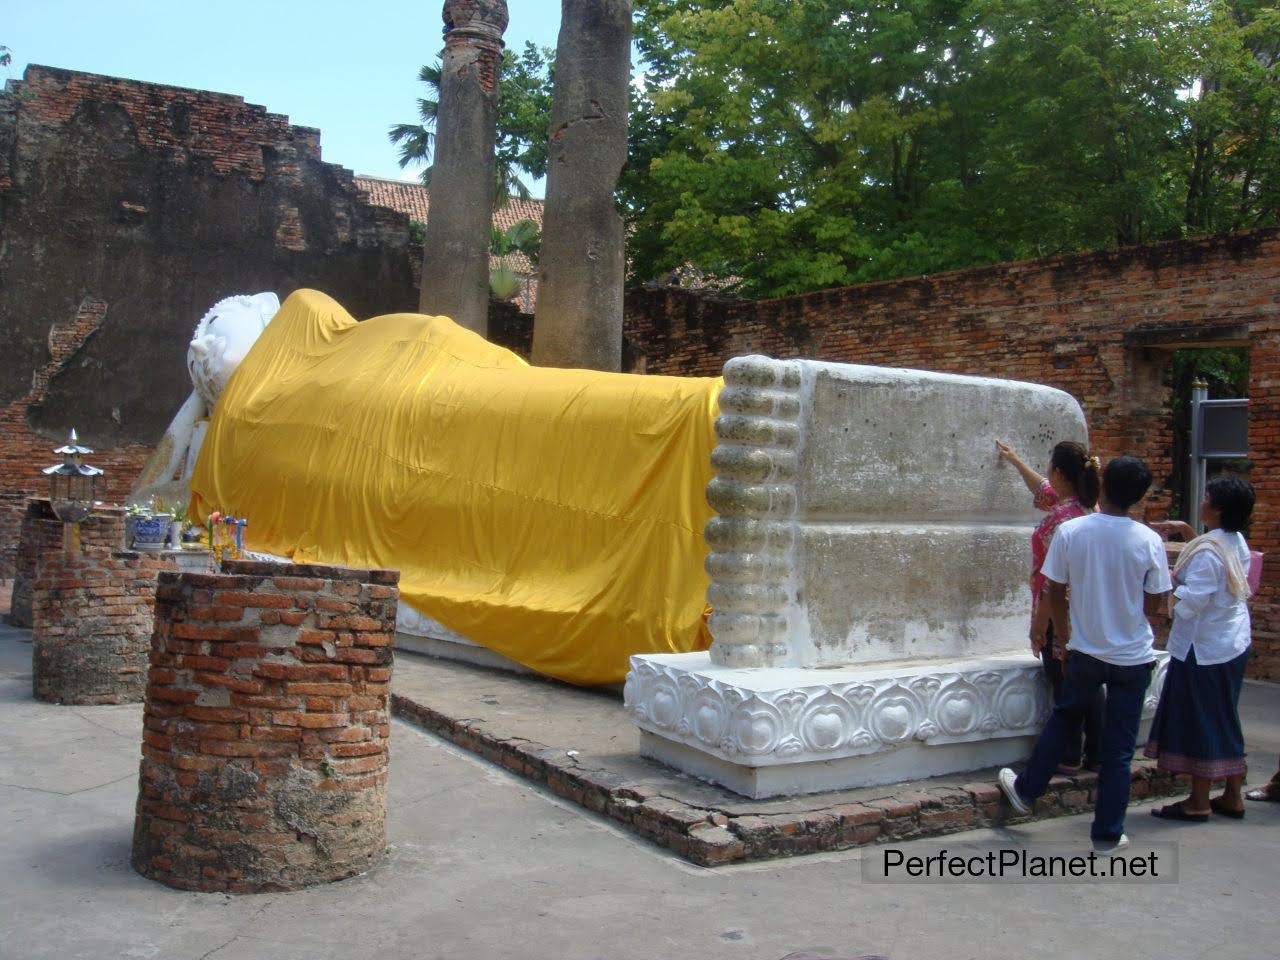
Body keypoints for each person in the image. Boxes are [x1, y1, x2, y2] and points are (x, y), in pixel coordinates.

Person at [997, 455, 1172, 851]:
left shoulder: (1073, 531)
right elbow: (1156, 603)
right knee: (1120, 750)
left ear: (1104, 484)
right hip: (1133, 656)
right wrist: (1129, 613)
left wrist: (1065, 635)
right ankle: (1108, 831)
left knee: (1063, 720)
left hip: (1085, 650)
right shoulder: (1148, 540)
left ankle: (1027, 791)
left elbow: (1054, 589)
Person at [1144, 475, 1256, 821]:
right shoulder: (1235, 542)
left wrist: (1165, 589)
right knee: (1223, 716)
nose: (1202, 501)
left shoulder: (1209, 554)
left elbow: (1194, 601)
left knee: (1202, 720)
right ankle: (1233, 794)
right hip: (1231, 640)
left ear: (1218, 510)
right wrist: (1188, 534)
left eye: (1207, 497)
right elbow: (1215, 562)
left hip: (1203, 647)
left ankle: (1198, 800)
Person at [996, 439, 1104, 774]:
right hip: (1086, 613)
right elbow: (1044, 490)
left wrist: (1039, 625)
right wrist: (1015, 462)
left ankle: (1069, 754)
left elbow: (1053, 581)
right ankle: (1098, 752)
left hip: (1060, 615)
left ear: (1058, 471)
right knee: (1087, 682)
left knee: (1064, 682)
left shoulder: (1062, 521)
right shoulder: (1088, 509)